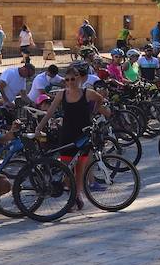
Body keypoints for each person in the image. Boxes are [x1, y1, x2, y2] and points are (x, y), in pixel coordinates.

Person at [38, 63, 112, 210]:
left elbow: (100, 99)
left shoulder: (87, 93)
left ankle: (77, 195)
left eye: (73, 79)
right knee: (66, 167)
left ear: (79, 79)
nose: (70, 82)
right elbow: (50, 112)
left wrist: (93, 113)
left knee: (79, 168)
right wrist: (38, 127)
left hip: (83, 134)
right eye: (67, 79)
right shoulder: (62, 94)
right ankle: (72, 194)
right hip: (67, 133)